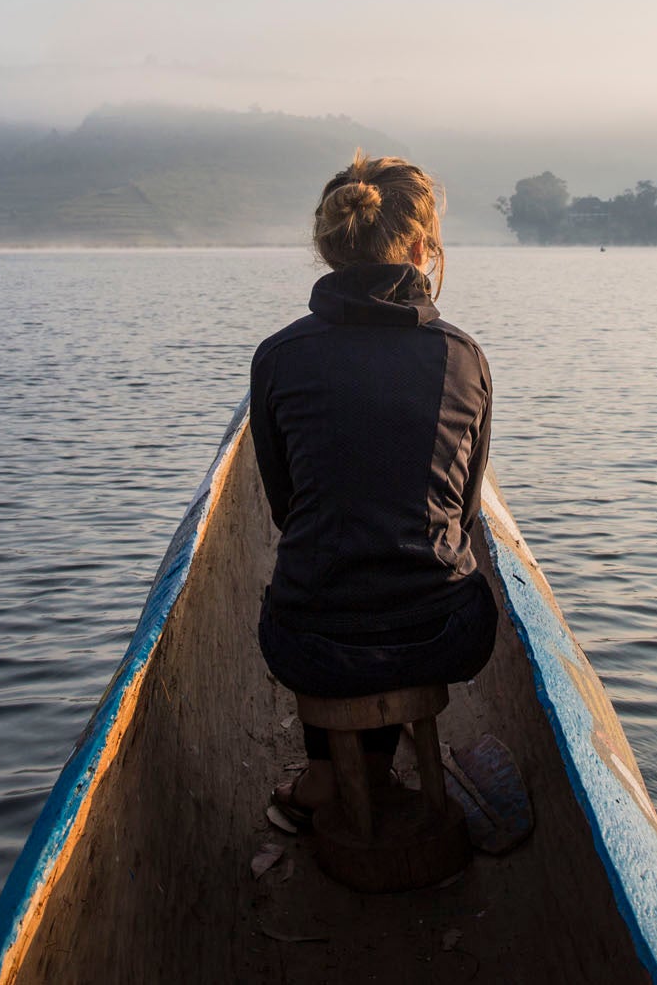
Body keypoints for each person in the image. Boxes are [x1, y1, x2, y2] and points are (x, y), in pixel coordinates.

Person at [250, 151, 498, 832]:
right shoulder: (463, 356)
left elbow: (283, 507)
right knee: (401, 591)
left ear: (330, 247)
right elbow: (466, 513)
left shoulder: (278, 358)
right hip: (448, 634)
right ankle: (367, 770)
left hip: (308, 641)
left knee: (325, 593)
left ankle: (328, 775)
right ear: (420, 248)